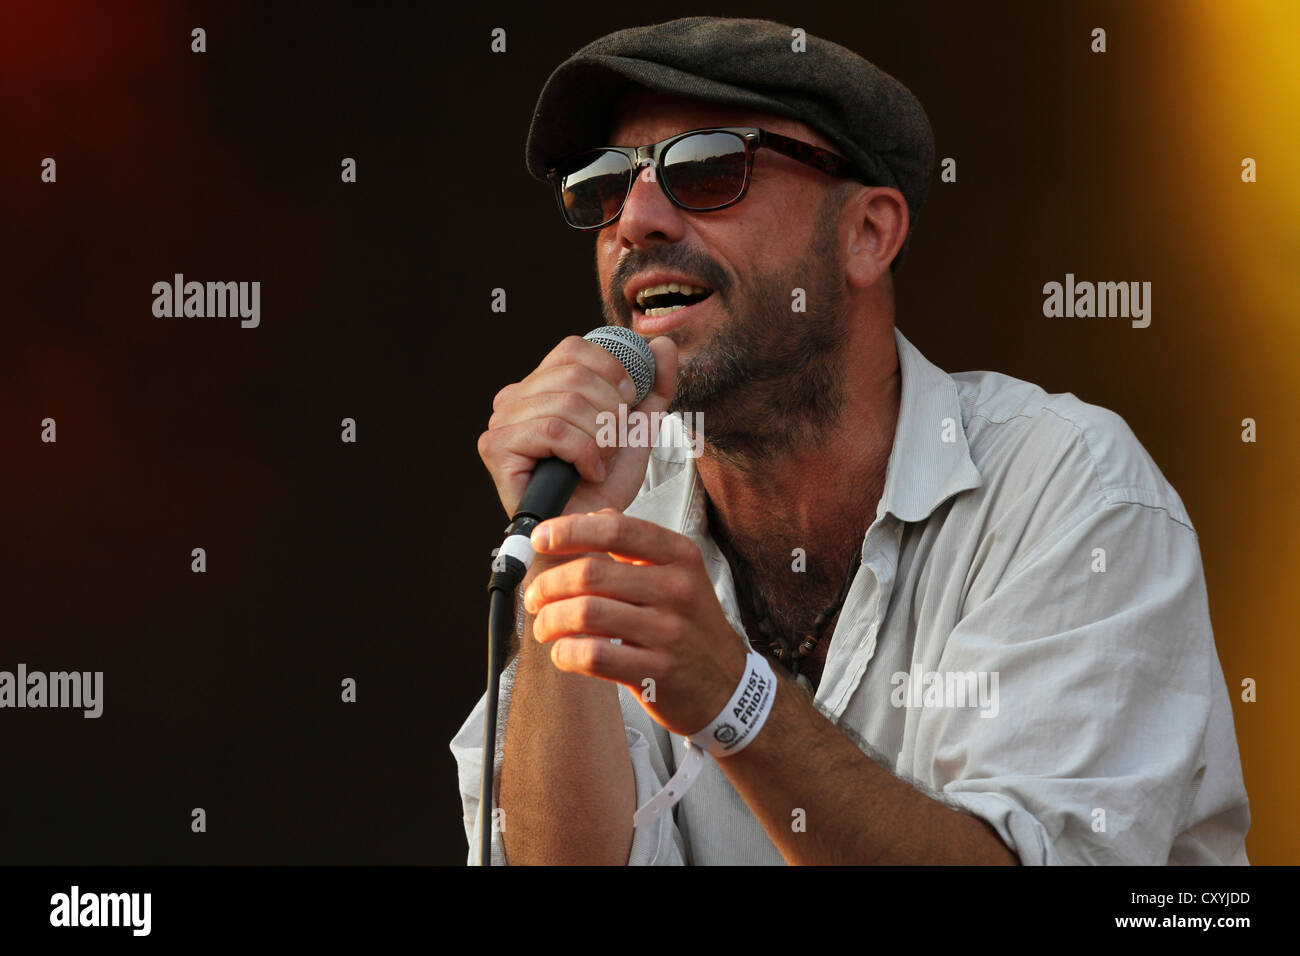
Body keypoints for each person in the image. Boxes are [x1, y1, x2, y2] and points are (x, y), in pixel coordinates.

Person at [451, 16, 1250, 865]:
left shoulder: (1069, 487)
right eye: (606, 184)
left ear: (868, 233)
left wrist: (737, 698)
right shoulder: (623, 509)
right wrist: (564, 545)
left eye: (709, 167)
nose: (636, 219)